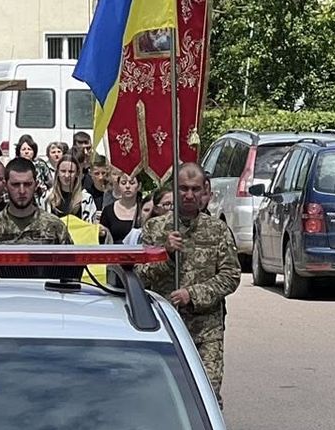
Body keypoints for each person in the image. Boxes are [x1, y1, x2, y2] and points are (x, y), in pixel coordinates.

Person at [139, 163, 241, 398]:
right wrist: (165, 254)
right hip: (164, 328)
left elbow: (230, 276)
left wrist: (193, 294)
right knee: (164, 396)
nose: (189, 195)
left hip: (206, 331)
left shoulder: (218, 230)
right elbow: (139, 275)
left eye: (195, 189)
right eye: (183, 188)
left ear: (205, 190)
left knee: (206, 397)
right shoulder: (156, 229)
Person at [0, 157, 74, 253]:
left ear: (36, 185)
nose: (22, 191)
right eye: (15, 184)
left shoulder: (55, 228)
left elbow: (70, 267)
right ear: (5, 186)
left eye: (27, 184)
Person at [47, 155, 98, 222]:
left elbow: (91, 226)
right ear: (57, 173)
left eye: (71, 172)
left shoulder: (86, 199)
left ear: (77, 173)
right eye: (63, 171)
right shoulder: (47, 198)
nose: (67, 175)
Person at [99, 166, 141, 246]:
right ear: (118, 185)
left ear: (139, 186)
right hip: (114, 255)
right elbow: (102, 241)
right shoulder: (108, 211)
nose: (127, 186)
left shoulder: (144, 208)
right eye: (123, 183)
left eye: (132, 183)